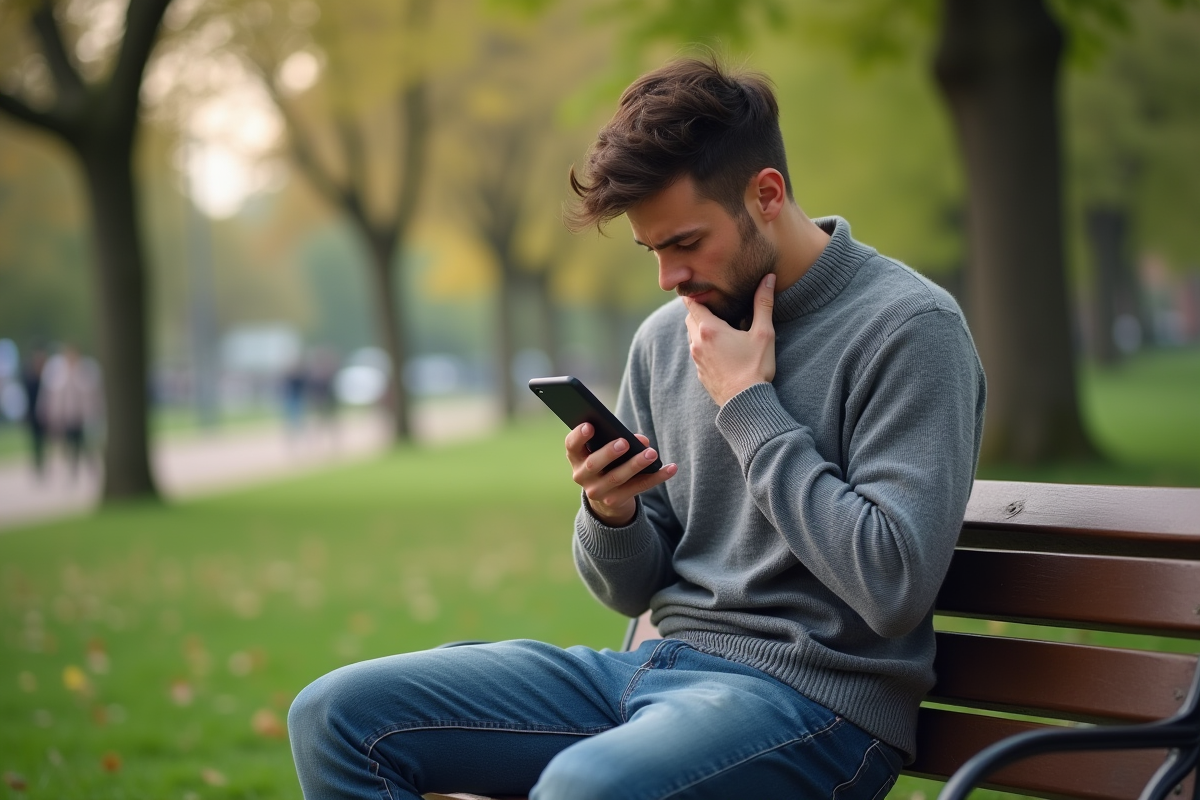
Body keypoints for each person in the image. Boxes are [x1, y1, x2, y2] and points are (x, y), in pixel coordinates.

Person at [288, 57, 986, 800]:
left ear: (768, 195)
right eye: (652, 250)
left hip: (815, 708)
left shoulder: (909, 328)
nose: (668, 278)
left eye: (685, 242)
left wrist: (748, 406)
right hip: (654, 672)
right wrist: (610, 510)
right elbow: (632, 591)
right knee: (336, 715)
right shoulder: (666, 339)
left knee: (585, 787)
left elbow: (893, 585)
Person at [37, 344, 103, 478]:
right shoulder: (59, 374)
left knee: (85, 444)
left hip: (82, 416)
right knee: (68, 445)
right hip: (67, 417)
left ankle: (90, 470)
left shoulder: (85, 372)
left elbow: (93, 395)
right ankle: (72, 471)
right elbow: (53, 398)